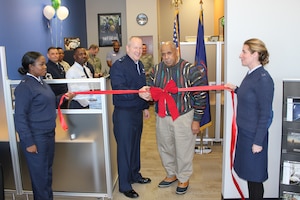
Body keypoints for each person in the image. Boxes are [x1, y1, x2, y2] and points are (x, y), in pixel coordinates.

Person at [139, 41, 207, 195]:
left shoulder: (190, 69)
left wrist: (196, 120)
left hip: (183, 115)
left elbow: (201, 96)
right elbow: (150, 86)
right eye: (163, 54)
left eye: (169, 53)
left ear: (177, 52)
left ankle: (183, 177)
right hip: (162, 115)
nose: (166, 57)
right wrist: (146, 91)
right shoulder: (157, 69)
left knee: (183, 149)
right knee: (165, 147)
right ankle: (172, 174)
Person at [14, 51, 74, 200]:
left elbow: (50, 102)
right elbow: (20, 117)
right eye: (41, 64)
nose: (45, 67)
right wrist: (28, 142)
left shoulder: (41, 82)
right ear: (30, 67)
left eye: (44, 63)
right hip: (36, 137)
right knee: (39, 177)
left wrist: (64, 97)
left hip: (48, 134)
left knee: (46, 173)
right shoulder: (25, 87)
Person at [225, 38, 274, 200]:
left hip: (254, 137)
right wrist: (236, 89)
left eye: (244, 52)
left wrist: (258, 142)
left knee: (255, 180)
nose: (240, 55)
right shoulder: (251, 74)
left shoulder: (264, 79)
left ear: (255, 54)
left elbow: (265, 113)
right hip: (245, 135)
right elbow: (251, 97)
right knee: (249, 176)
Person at [110, 36, 151, 199]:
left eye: (140, 48)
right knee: (125, 150)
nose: (138, 51)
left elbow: (142, 87)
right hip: (124, 114)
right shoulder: (118, 66)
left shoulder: (139, 64)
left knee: (134, 147)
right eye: (135, 47)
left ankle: (135, 174)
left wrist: (145, 107)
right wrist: (140, 94)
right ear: (127, 48)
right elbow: (120, 90)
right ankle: (125, 185)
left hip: (136, 112)